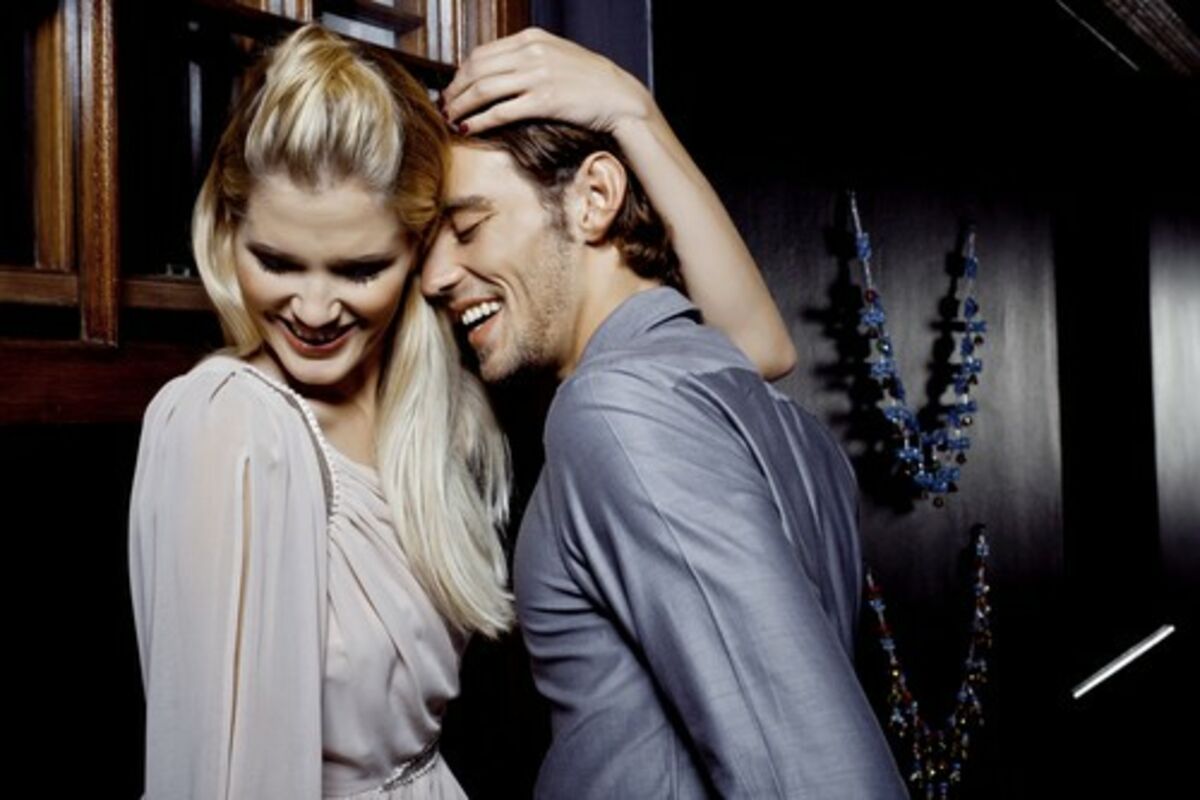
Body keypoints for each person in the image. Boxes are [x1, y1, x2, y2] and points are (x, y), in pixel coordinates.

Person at [128, 24, 795, 800]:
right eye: (275, 261)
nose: (312, 309)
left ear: (417, 251)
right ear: (226, 233)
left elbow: (753, 348)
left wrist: (631, 110)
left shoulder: (454, 393)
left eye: (360, 269)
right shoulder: (227, 424)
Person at [428, 29, 907, 798]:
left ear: (594, 198)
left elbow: (816, 774)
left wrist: (630, 110)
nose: (436, 274)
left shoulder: (616, 408)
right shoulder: (746, 400)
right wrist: (633, 111)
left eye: (468, 226)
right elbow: (762, 344)